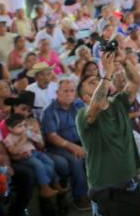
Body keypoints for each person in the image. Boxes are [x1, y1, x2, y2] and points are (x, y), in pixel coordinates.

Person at [76, 51, 140, 216]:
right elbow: (97, 105)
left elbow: (135, 81)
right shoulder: (83, 115)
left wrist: (124, 61)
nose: (98, 82)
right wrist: (107, 74)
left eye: (98, 80)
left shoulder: (119, 102)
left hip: (131, 183)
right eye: (92, 83)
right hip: (105, 189)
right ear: (85, 97)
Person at [41, 79, 90, 211]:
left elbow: (90, 122)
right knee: (76, 160)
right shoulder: (50, 111)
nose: (69, 94)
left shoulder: (79, 105)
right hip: (57, 147)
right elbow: (52, 137)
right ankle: (80, 197)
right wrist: (73, 147)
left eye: (72, 91)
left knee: (98, 153)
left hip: (80, 142)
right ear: (58, 93)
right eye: (65, 91)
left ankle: (100, 190)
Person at [3, 113, 65, 198]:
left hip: (35, 152)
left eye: (24, 125)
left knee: (50, 163)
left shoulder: (26, 132)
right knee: (39, 166)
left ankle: (56, 183)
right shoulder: (8, 139)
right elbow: (13, 151)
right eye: (19, 126)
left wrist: (35, 133)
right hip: (25, 156)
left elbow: (39, 141)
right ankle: (45, 188)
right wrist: (23, 139)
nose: (23, 128)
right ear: (10, 128)